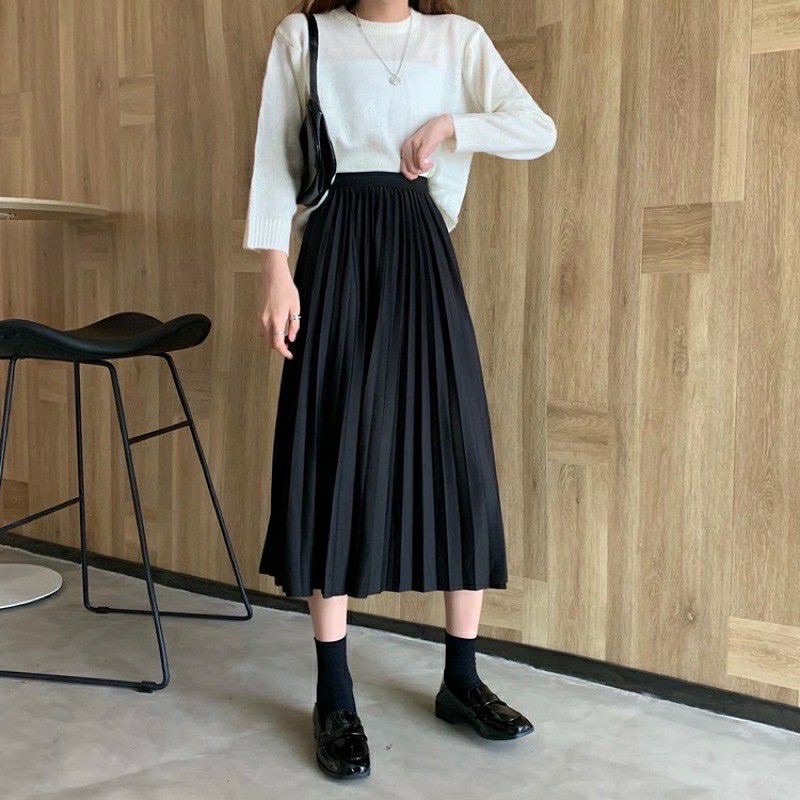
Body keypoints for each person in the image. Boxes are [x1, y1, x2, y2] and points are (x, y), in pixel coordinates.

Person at [243, 0, 557, 780]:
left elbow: (536, 129)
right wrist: (275, 269)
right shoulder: (305, 35)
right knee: (332, 448)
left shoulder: (458, 40)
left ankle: (462, 679)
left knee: (457, 453)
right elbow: (276, 153)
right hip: (336, 247)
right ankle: (334, 695)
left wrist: (453, 125)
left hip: (420, 252)